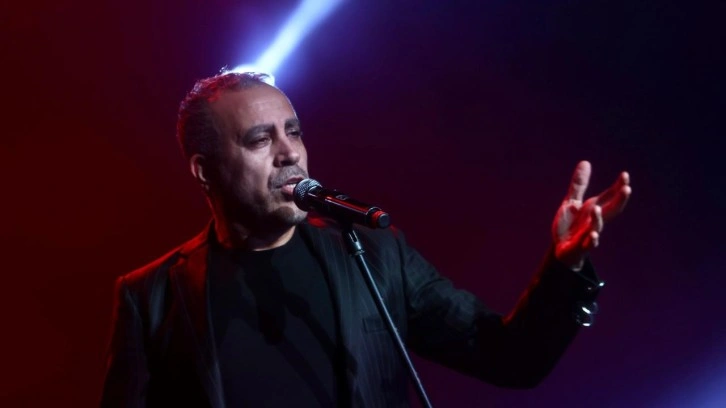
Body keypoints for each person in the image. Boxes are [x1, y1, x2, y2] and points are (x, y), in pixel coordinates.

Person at [100, 72, 631, 407]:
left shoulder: (373, 254)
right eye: (261, 139)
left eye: (294, 131)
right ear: (204, 170)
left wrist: (564, 268)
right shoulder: (153, 297)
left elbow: (509, 359)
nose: (289, 153)